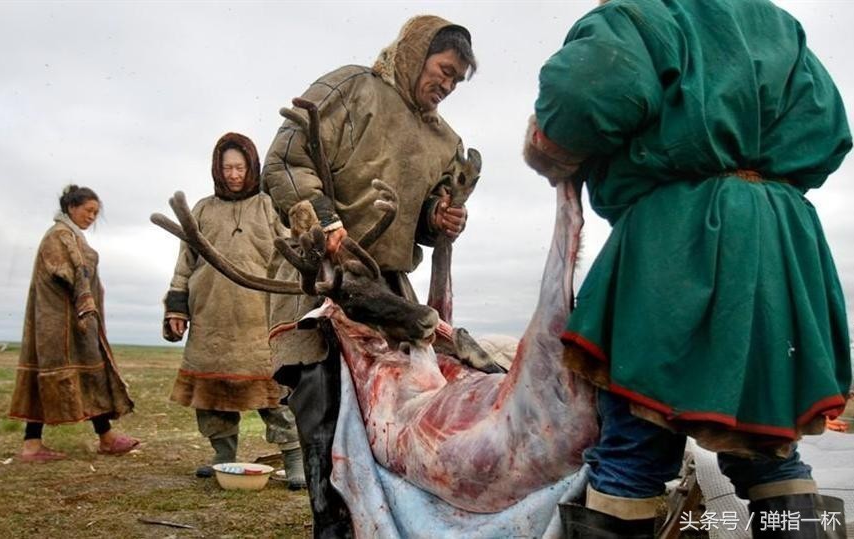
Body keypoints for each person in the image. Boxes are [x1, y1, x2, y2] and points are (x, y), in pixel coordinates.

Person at [524, 0, 851, 537]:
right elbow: (830, 130)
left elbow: (583, 95)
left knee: (635, 449)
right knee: (769, 449)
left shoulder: (643, 14)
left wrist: (548, 142)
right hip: (776, 247)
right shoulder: (777, 25)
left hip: (677, 244)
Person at [262, 15, 476, 537]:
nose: (446, 85)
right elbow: (286, 161)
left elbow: (429, 217)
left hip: (388, 290)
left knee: (395, 421)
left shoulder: (445, 139)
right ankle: (330, 527)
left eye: (456, 80)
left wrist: (440, 218)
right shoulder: (351, 88)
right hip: (318, 276)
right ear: (415, 52)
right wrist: (325, 223)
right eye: (443, 70)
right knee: (325, 411)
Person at [162, 132, 305, 489]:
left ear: (251, 166)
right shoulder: (202, 210)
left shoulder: (268, 206)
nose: (234, 174)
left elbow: (292, 252)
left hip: (260, 318)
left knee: (274, 394)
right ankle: (223, 457)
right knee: (213, 396)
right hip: (210, 316)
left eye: (240, 167)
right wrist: (176, 306)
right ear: (217, 169)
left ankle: (295, 459)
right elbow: (185, 262)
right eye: (227, 167)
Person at [8, 185, 138, 462]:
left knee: (86, 375)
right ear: (71, 207)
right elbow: (73, 272)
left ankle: (101, 437)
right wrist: (85, 304)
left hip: (67, 322)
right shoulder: (60, 235)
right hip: (63, 324)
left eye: (96, 213)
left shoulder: (69, 235)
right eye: (88, 210)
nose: (92, 217)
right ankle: (95, 439)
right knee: (74, 375)